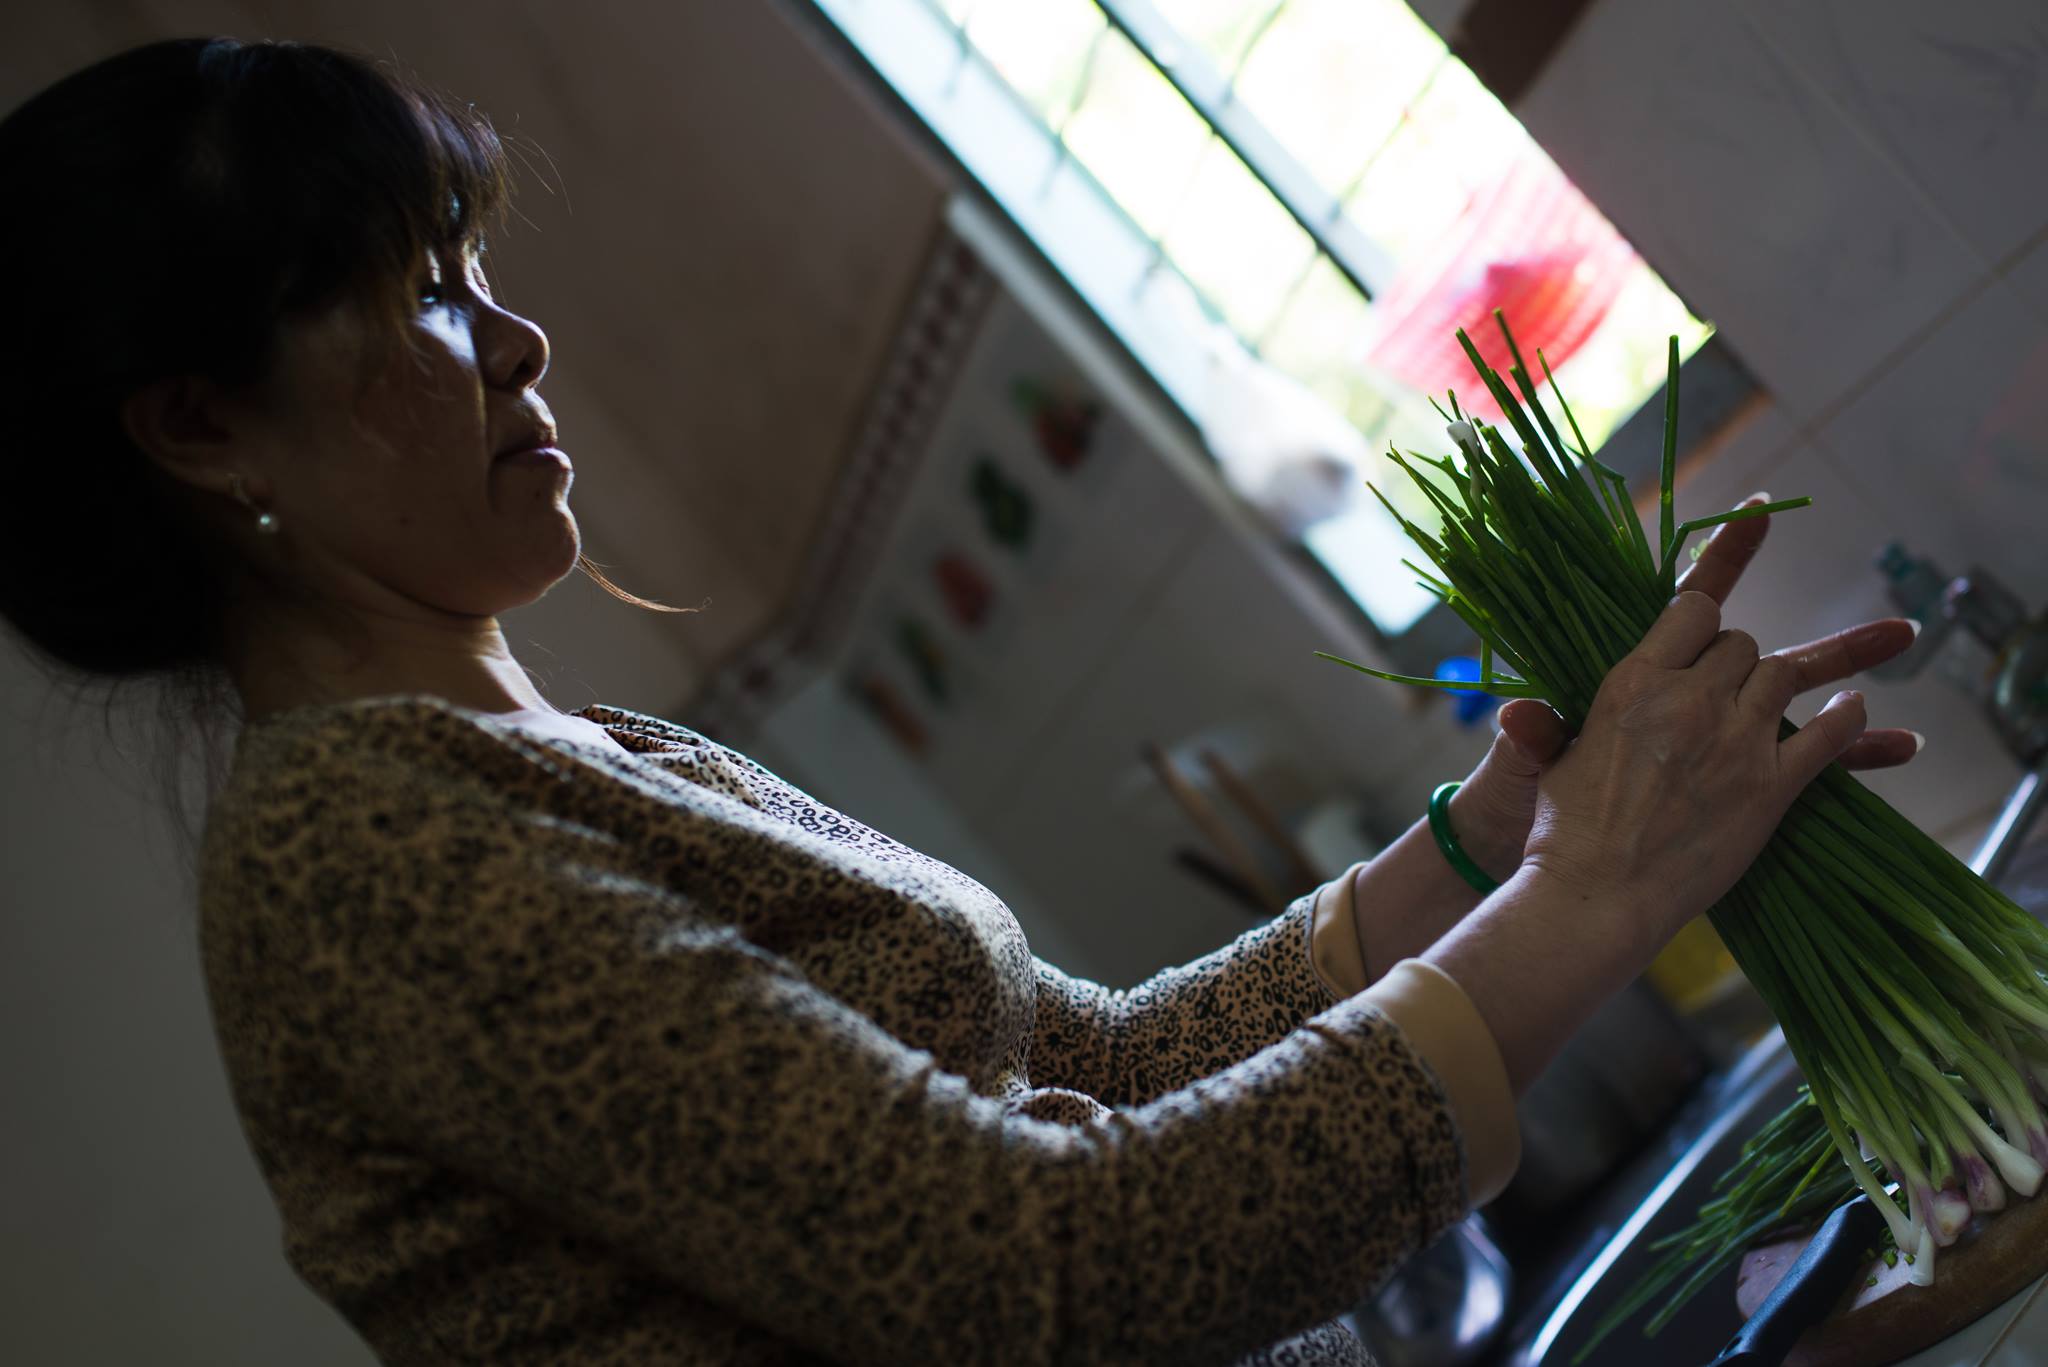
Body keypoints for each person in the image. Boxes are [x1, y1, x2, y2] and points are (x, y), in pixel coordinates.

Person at [0, 36, 1926, 1367]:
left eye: (477, 263)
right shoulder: (353, 860)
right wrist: (1598, 899)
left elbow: (1087, 1071)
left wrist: (1494, 840)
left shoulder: (595, 765)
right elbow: (1039, 1279)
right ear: (197, 423)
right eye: (419, 292)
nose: (516, 335)